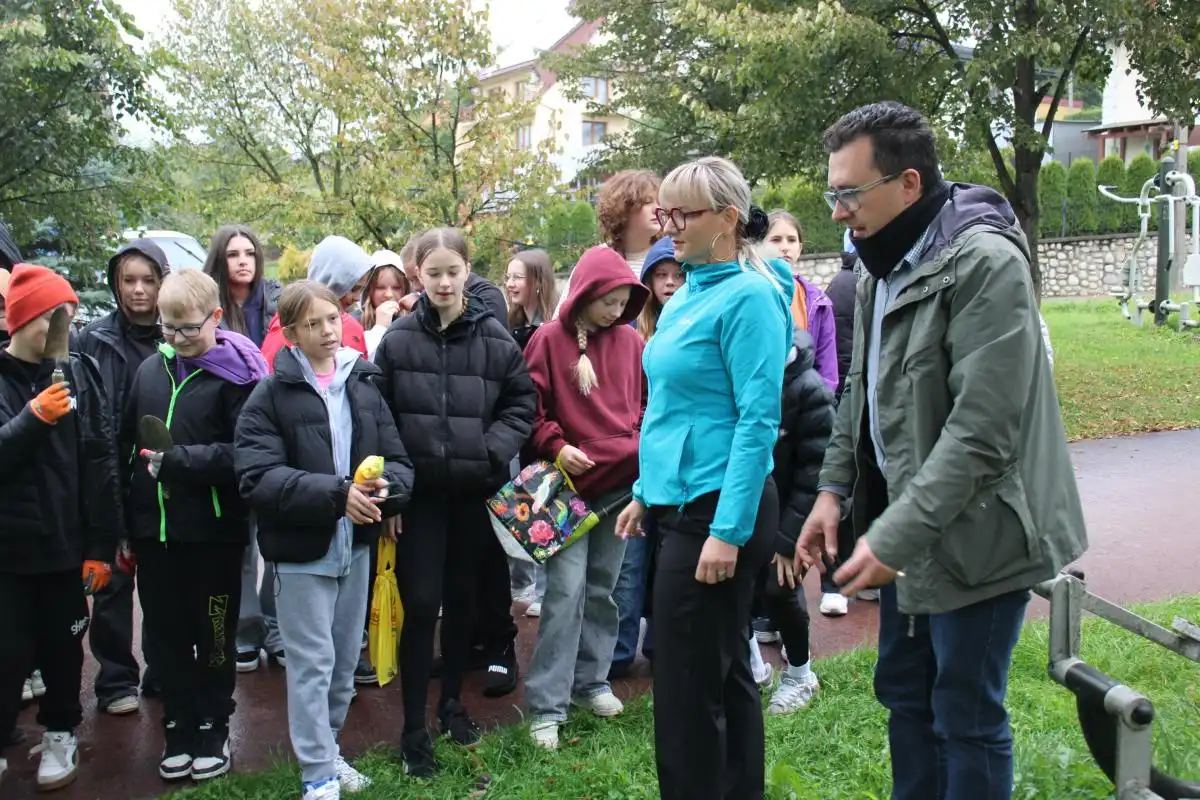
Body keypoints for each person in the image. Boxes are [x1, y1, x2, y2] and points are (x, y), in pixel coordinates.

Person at [796, 101, 1087, 800]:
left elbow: (983, 433)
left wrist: (891, 536)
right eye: (832, 193)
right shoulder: (880, 266)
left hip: (983, 535)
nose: (836, 211)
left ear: (908, 185)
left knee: (965, 711)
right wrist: (833, 490)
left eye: (849, 193)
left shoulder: (986, 264)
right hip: (912, 528)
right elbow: (860, 391)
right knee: (906, 692)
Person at [613, 157, 792, 799]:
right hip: (682, 503)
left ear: (728, 219)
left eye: (681, 214)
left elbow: (757, 420)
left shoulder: (750, 297)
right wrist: (645, 493)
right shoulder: (689, 291)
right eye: (664, 213)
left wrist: (728, 530)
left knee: (687, 684)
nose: (668, 227)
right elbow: (670, 407)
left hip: (719, 509)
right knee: (721, 671)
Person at [236, 281, 413, 800]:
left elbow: (399, 461)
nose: (327, 331)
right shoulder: (269, 394)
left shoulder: (364, 383)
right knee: (311, 664)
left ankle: (329, 750)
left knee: (341, 661)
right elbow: (258, 476)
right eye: (312, 324)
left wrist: (386, 490)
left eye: (332, 319)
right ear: (291, 334)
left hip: (355, 547)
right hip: (301, 554)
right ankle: (317, 774)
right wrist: (338, 495)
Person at [374, 228, 535, 780]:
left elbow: (521, 402)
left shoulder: (493, 336)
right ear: (417, 274)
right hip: (418, 498)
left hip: (472, 493)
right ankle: (412, 730)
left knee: (463, 601)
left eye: (453, 271)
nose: (443, 282)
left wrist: (488, 451)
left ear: (468, 270)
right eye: (433, 273)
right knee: (421, 605)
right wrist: (394, 488)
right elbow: (378, 415)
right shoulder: (397, 341)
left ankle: (451, 706)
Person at [120, 269, 267, 782]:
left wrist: (182, 461)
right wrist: (126, 520)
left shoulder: (238, 377)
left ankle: (213, 722)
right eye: (168, 327)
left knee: (215, 633)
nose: (178, 338)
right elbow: (126, 446)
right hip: (156, 534)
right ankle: (178, 723)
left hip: (214, 534)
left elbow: (246, 453)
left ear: (215, 317)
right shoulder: (149, 372)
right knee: (166, 635)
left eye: (188, 327)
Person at [0, 264, 121, 792]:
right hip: (8, 549)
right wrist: (34, 418)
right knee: (6, 652)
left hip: (65, 546)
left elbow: (99, 459)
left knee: (63, 648)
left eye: (68, 317)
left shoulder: (79, 372)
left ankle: (60, 731)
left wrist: (101, 546)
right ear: (24, 320)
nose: (62, 329)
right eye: (53, 318)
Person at [522, 245, 647, 750]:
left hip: (620, 486)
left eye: (622, 304)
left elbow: (647, 406)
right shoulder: (548, 341)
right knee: (564, 593)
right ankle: (547, 705)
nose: (616, 312)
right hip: (564, 490)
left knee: (602, 588)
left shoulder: (632, 342)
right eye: (607, 302)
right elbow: (529, 411)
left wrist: (637, 447)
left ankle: (591, 681)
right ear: (584, 295)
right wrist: (557, 446)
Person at [76, 238, 169, 716]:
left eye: (148, 280)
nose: (138, 290)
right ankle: (115, 680)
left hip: (157, 477)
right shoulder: (93, 339)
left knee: (161, 583)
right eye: (128, 280)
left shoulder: (175, 334)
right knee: (112, 583)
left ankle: (162, 669)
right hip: (108, 472)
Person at [609, 234, 681, 681]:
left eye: (677, 275)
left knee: (667, 557)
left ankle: (660, 643)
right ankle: (618, 652)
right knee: (629, 560)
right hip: (635, 460)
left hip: (677, 462)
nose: (670, 283)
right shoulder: (634, 333)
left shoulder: (694, 322)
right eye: (661, 275)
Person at [755, 327, 834, 714]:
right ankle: (754, 669)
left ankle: (801, 675)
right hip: (752, 505)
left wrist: (790, 541)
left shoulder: (809, 390)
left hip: (794, 510)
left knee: (780, 587)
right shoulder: (745, 375)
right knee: (742, 590)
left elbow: (817, 472)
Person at [556, 170, 661, 315]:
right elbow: (562, 317)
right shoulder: (596, 260)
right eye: (647, 202)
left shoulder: (670, 256)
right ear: (623, 207)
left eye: (659, 202)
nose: (657, 209)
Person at [260, 236, 371, 369]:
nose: (357, 298)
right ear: (331, 280)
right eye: (352, 289)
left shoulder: (353, 328)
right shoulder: (289, 329)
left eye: (361, 289)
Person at [204, 225, 282, 349]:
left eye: (250, 254)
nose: (243, 261)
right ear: (219, 260)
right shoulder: (204, 306)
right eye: (232, 255)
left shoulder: (278, 300)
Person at [504, 248, 558, 351]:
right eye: (508, 277)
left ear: (539, 281)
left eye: (517, 277)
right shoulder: (511, 324)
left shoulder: (554, 327)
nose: (509, 284)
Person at [362, 250, 410, 360]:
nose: (389, 295)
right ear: (368, 290)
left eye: (396, 288)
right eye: (380, 288)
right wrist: (380, 327)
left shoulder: (414, 321)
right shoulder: (355, 322)